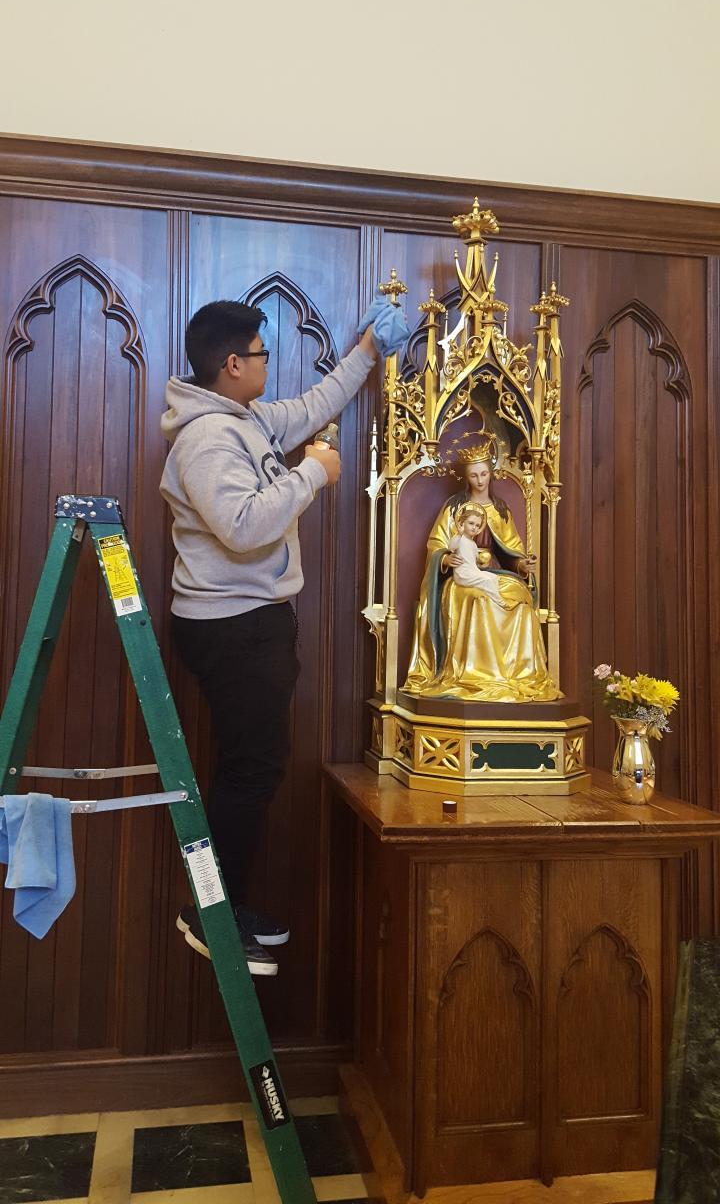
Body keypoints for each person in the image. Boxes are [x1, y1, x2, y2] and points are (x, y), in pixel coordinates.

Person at [160, 298, 393, 976]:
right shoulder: (207, 438)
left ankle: (226, 905)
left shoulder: (248, 418)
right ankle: (210, 914)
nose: (269, 363)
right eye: (262, 353)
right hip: (230, 625)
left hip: (251, 622)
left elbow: (316, 403)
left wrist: (368, 351)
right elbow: (241, 527)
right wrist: (313, 473)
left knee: (254, 768)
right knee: (250, 771)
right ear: (233, 364)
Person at [403, 453, 559, 702]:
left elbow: (511, 549)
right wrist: (445, 559)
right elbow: (437, 543)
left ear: (491, 474)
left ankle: (518, 674)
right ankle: (476, 674)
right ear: (467, 477)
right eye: (474, 475)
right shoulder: (454, 508)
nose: (479, 480)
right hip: (461, 576)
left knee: (520, 598)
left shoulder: (500, 509)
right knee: (480, 599)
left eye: (484, 474)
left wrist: (521, 564)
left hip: (494, 571)